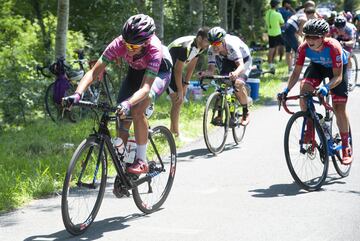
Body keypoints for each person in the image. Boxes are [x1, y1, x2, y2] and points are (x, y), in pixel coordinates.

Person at [66, 14, 173, 174]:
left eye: (134, 47)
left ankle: (141, 160)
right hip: (135, 72)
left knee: (136, 110)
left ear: (146, 42)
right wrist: (77, 94)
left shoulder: (154, 49)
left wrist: (128, 103)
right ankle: (124, 169)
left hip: (159, 73)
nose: (129, 50)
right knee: (121, 118)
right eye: (127, 45)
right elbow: (93, 72)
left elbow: (145, 87)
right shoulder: (119, 43)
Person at [279, 19, 353, 165]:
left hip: (337, 70)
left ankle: (345, 145)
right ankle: (310, 127)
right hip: (318, 67)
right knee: (304, 90)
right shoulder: (303, 48)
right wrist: (286, 90)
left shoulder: (333, 47)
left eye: (315, 37)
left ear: (324, 36)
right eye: (307, 36)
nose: (310, 40)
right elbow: (296, 73)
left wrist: (326, 88)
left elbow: (337, 76)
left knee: (339, 107)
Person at [200, 27, 252, 126]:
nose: (214, 47)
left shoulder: (231, 45)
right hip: (228, 60)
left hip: (244, 60)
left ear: (223, 41)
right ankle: (220, 114)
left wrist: (236, 73)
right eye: (212, 44)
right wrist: (205, 73)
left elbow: (240, 66)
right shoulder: (211, 50)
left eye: (217, 44)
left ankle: (246, 112)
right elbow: (211, 70)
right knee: (222, 84)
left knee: (238, 83)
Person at [167, 27, 210, 139]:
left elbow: (191, 66)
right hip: (165, 68)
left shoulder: (200, 46)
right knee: (177, 99)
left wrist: (186, 84)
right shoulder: (186, 47)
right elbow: (177, 70)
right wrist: (181, 90)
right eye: (207, 41)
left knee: (178, 101)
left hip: (175, 69)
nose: (208, 44)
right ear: (200, 38)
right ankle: (176, 135)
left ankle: (173, 131)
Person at [282, 7, 316, 73]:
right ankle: (297, 69)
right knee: (299, 50)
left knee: (288, 50)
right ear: (311, 14)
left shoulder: (299, 15)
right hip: (289, 31)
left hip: (284, 30)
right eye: (313, 16)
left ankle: (290, 69)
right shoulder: (304, 19)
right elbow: (300, 33)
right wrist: (302, 43)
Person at [330, 15, 357, 83]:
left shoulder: (349, 28)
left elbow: (352, 41)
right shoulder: (332, 28)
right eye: (337, 28)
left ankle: (349, 76)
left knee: (348, 56)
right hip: (338, 39)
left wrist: (344, 43)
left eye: (341, 28)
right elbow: (328, 37)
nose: (339, 30)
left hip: (348, 40)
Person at [265, 0, 285, 70]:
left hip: (270, 33)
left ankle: (270, 63)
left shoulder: (267, 13)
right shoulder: (277, 14)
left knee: (271, 48)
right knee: (282, 45)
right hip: (277, 33)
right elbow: (282, 22)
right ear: (276, 6)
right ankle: (280, 59)